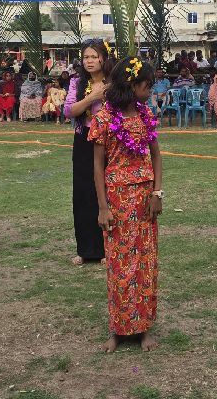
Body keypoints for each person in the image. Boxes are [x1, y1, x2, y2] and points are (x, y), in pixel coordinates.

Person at [89, 56, 163, 353]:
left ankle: (143, 327)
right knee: (120, 266)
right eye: (148, 85)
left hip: (146, 199)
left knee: (145, 263)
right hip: (117, 199)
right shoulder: (104, 118)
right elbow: (97, 166)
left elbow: (156, 156)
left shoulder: (145, 115)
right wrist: (103, 206)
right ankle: (118, 329)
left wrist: (158, 194)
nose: (150, 90)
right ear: (133, 85)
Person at [63, 39, 113, 265]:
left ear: (104, 57)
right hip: (84, 139)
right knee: (83, 192)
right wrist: (92, 97)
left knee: (107, 191)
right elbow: (69, 111)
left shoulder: (114, 82)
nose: (90, 61)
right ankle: (86, 249)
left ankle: (107, 248)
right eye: (86, 57)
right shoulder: (77, 82)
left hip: (110, 141)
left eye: (94, 56)